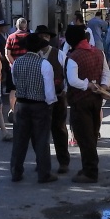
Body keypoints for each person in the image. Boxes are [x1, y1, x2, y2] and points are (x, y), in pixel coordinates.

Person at [65, 24, 110, 183]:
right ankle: (87, 167)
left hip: (80, 101)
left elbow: (72, 80)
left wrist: (88, 85)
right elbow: (106, 74)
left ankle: (90, 172)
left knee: (85, 138)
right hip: (96, 101)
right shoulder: (99, 53)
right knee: (91, 135)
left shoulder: (73, 57)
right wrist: (103, 86)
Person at [9, 33, 58, 183]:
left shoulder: (17, 63)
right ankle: (44, 174)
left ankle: (16, 172)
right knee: (42, 139)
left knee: (19, 139)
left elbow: (15, 81)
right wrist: (51, 104)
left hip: (22, 104)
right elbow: (49, 91)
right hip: (39, 105)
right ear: (40, 49)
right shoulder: (44, 64)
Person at [36, 25, 69, 174]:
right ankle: (41, 162)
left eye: (46, 36)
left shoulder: (59, 54)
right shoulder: (34, 55)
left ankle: (63, 162)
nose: (43, 39)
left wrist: (65, 91)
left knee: (59, 130)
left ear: (49, 39)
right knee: (40, 132)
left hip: (58, 97)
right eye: (41, 36)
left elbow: (67, 74)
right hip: (39, 99)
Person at [5, 17, 31, 120]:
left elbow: (7, 54)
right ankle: (26, 109)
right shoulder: (29, 37)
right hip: (28, 66)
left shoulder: (11, 37)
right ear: (26, 26)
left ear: (16, 26)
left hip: (14, 66)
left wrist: (13, 64)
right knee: (27, 88)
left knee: (13, 89)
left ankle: (12, 109)